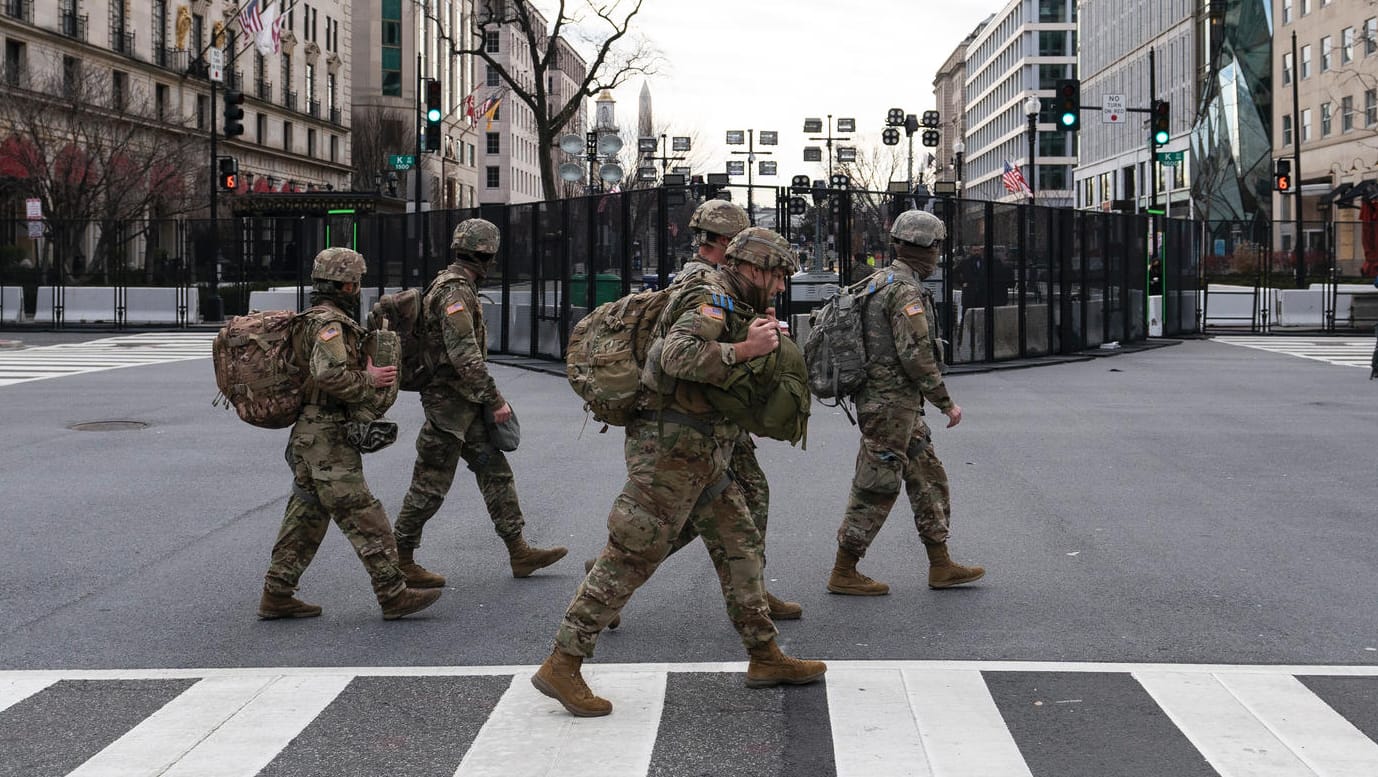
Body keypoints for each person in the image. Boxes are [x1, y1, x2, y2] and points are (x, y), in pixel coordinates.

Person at [534, 227, 826, 717]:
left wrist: (758, 341)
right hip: (670, 450)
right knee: (630, 555)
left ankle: (764, 654)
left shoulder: (732, 300)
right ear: (754, 268)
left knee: (741, 544)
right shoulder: (712, 296)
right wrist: (745, 351)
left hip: (703, 449)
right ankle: (563, 662)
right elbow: (675, 356)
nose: (779, 287)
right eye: (776, 277)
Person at [585, 199, 803, 629]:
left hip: (706, 414)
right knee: (707, 508)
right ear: (725, 243)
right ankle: (606, 580)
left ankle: (754, 608)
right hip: (685, 420)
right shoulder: (708, 285)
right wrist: (746, 349)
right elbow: (681, 352)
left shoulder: (701, 277)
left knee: (721, 508)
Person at [258, 248, 442, 621]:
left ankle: (277, 593)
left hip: (310, 433)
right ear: (346, 284)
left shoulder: (311, 319)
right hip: (326, 434)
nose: (358, 289)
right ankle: (392, 593)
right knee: (362, 512)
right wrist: (369, 380)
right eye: (356, 283)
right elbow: (329, 375)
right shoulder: (331, 324)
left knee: (306, 514)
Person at [392, 219, 567, 588]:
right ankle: (400, 557)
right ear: (487, 254)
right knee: (430, 484)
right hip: (448, 406)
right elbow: (464, 354)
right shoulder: (456, 292)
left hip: (463, 403)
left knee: (495, 473)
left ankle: (519, 550)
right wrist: (495, 399)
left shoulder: (454, 285)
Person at [827, 210, 985, 597]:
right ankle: (844, 569)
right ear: (929, 249)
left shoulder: (877, 281)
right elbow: (915, 352)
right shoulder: (905, 290)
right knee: (877, 486)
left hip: (891, 404)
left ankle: (941, 563)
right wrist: (945, 402)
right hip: (890, 406)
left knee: (927, 476)